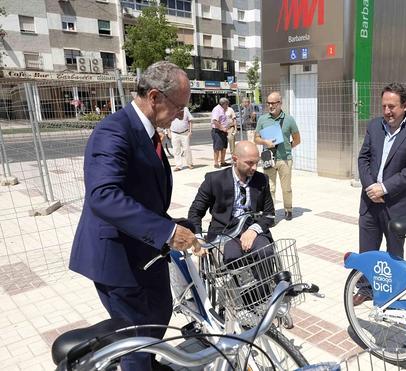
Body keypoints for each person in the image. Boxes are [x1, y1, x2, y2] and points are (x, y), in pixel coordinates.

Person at [69, 61, 199, 371]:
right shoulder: (114, 130)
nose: (182, 114)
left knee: (157, 323)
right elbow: (103, 196)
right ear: (155, 97)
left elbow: (141, 194)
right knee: (137, 344)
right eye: (179, 106)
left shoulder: (149, 131)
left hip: (146, 253)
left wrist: (172, 226)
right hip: (119, 262)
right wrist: (166, 232)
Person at [354, 82, 406, 306]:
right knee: (367, 250)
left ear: (405, 105)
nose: (387, 111)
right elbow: (363, 159)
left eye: (392, 107)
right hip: (370, 201)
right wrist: (371, 187)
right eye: (384, 106)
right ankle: (366, 288)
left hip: (397, 204)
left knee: (394, 252)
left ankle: (393, 292)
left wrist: (384, 188)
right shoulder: (375, 125)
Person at [187, 140, 275, 262]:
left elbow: (269, 214)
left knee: (265, 252)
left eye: (256, 162)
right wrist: (197, 237)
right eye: (249, 163)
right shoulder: (214, 180)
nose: (254, 167)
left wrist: (253, 230)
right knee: (232, 257)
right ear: (235, 159)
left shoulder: (261, 180)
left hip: (252, 228)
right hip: (224, 232)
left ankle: (266, 281)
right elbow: (195, 212)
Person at [254, 91, 301, 221]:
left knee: (286, 188)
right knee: (270, 188)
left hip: (284, 158)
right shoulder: (263, 119)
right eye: (268, 103)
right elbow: (256, 138)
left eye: (273, 103)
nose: (270, 106)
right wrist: (265, 142)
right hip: (267, 158)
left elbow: (297, 139)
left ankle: (288, 209)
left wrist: (287, 147)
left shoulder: (289, 119)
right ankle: (271, 214)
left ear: (280, 103)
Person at [170, 106, 194, 171]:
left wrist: (190, 131)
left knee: (186, 149)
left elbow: (190, 120)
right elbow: (167, 120)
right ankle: (178, 165)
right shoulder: (170, 108)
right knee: (176, 150)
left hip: (184, 133)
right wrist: (168, 132)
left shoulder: (185, 109)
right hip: (174, 133)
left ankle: (189, 163)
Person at [211, 99, 228, 168]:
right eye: (227, 104)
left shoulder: (222, 109)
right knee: (217, 147)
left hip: (223, 131)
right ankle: (216, 163)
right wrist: (222, 128)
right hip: (217, 131)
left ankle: (222, 161)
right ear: (223, 104)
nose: (227, 106)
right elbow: (215, 121)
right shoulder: (217, 109)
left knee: (224, 147)